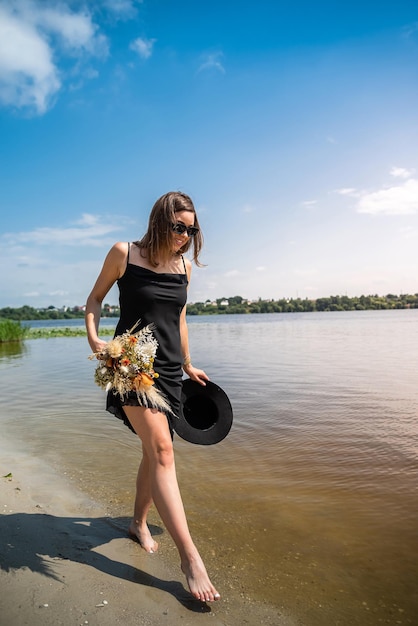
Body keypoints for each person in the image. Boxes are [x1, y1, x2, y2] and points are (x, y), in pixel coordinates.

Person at [85, 191, 220, 603]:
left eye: (191, 229)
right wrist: (97, 342)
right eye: (179, 226)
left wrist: (189, 363)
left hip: (170, 372)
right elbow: (94, 300)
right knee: (163, 451)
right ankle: (190, 558)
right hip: (131, 368)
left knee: (152, 452)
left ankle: (138, 523)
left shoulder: (183, 267)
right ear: (160, 221)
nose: (185, 236)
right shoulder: (124, 253)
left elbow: (177, 316)